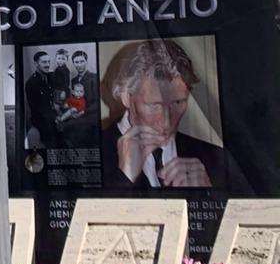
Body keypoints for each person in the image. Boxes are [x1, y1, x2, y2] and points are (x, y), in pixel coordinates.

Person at [100, 39, 238, 190]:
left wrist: (208, 194)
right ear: (126, 97)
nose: (166, 122)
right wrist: (123, 179)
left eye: (177, 103)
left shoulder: (217, 158)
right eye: (154, 105)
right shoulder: (88, 152)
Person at [24, 50, 56, 147]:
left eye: (48, 62)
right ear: (36, 63)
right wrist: (55, 118)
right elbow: (37, 110)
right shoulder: (31, 83)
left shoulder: (50, 77)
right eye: (44, 62)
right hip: (42, 120)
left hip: (51, 115)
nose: (47, 65)